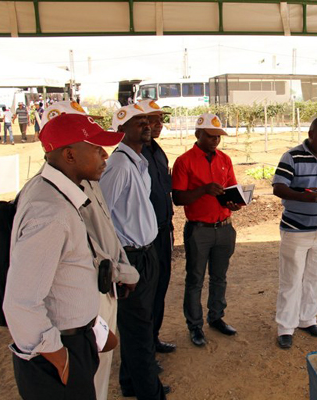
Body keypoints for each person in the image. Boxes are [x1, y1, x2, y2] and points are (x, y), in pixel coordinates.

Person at [3, 112, 125, 400]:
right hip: (58, 350)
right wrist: (57, 354)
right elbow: (20, 301)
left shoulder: (54, 192)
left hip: (74, 338)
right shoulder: (51, 213)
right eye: (96, 148)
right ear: (69, 155)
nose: (105, 155)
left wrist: (92, 327)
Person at [39, 100, 141, 400]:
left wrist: (121, 270)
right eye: (92, 142)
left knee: (99, 369)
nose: (103, 152)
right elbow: (23, 296)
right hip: (81, 299)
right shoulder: (49, 202)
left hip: (104, 285)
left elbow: (105, 230)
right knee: (86, 375)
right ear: (67, 149)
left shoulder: (84, 179)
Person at [100, 104, 169, 399]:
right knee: (139, 331)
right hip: (131, 255)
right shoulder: (118, 166)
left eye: (146, 120)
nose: (145, 125)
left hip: (148, 251)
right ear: (120, 129)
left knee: (139, 324)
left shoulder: (139, 162)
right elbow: (100, 214)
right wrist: (118, 261)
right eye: (137, 122)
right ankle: (150, 392)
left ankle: (130, 382)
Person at [272, 117, 317, 349]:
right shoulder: (291, 157)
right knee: (291, 279)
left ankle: (307, 319)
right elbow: (278, 187)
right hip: (295, 229)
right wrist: (306, 196)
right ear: (311, 133)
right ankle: (285, 327)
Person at [172, 113, 241, 348]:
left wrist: (235, 202)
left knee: (219, 277)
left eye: (218, 136)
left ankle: (216, 317)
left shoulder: (225, 159)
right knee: (195, 279)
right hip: (198, 230)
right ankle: (195, 326)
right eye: (210, 136)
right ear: (197, 134)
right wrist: (203, 190)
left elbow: (232, 189)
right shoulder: (184, 161)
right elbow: (178, 198)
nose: (215, 141)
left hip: (224, 228)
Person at [139, 100, 176, 354]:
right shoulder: (133, 155)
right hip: (143, 238)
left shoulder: (158, 152)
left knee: (160, 287)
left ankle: (153, 339)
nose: (157, 125)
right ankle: (143, 348)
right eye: (152, 120)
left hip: (163, 230)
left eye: (160, 120)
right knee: (145, 295)